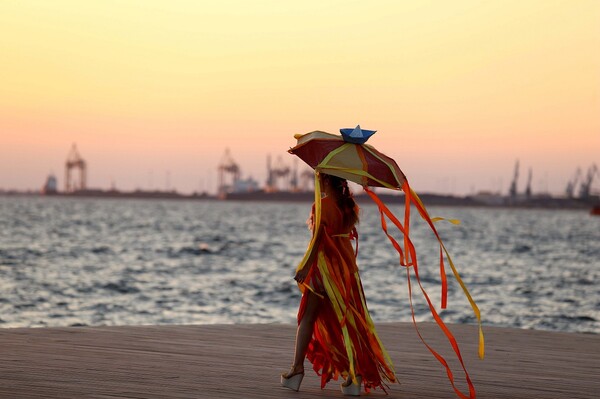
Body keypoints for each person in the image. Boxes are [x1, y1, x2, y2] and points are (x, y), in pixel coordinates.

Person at [281, 173, 396, 396]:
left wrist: (306, 266)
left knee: (307, 316)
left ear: (324, 180)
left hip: (324, 268)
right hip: (346, 270)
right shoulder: (349, 206)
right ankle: (355, 376)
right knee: (346, 321)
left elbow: (319, 239)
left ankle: (296, 370)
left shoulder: (321, 205)